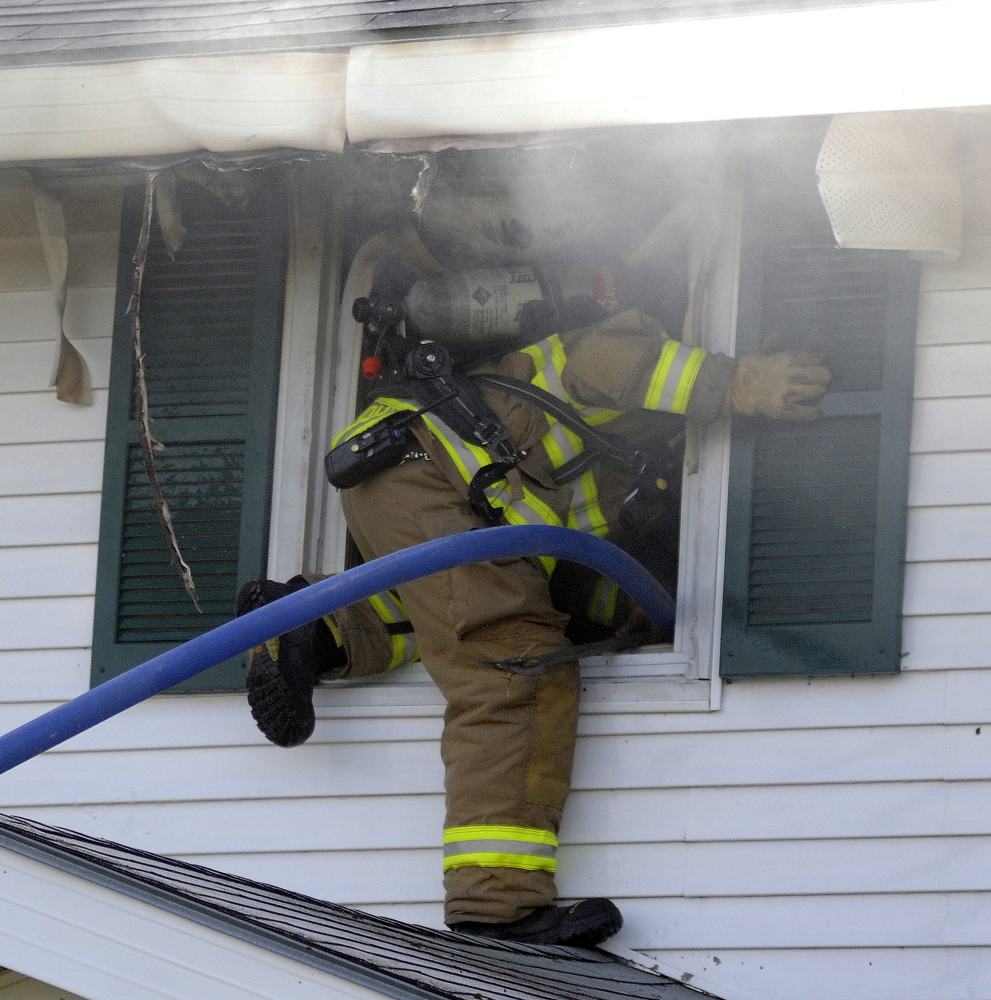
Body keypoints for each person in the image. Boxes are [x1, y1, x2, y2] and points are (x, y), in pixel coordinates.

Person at [237, 303, 831, 947]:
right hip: (436, 473)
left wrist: (642, 619)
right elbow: (608, 363)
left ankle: (306, 629)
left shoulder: (622, 467)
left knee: (438, 617)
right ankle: (498, 904)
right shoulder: (630, 340)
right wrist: (735, 382)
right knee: (514, 669)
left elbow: (566, 578)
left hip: (406, 469)